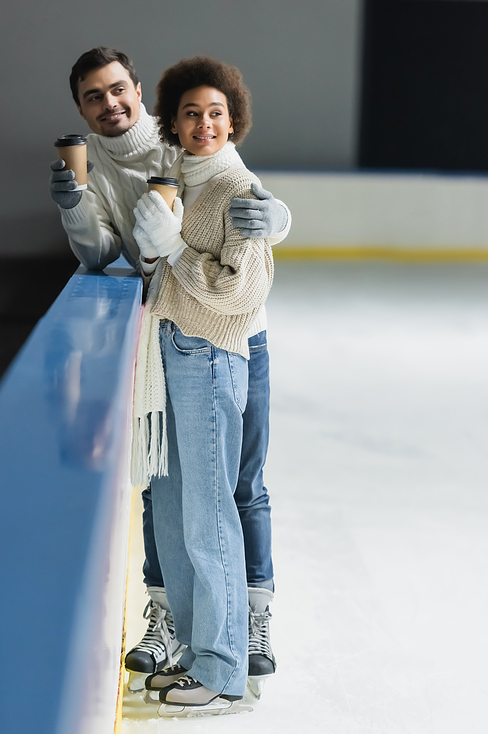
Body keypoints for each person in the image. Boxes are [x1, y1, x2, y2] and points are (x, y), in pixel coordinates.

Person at [49, 47, 287, 692]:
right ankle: (187, 626)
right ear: (80, 107)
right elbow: (102, 252)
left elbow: (238, 208)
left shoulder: (175, 144)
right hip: (176, 336)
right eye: (94, 96)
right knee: (179, 496)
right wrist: (75, 202)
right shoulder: (108, 164)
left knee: (237, 490)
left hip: (229, 339)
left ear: (138, 94)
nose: (110, 104)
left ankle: (241, 629)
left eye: (118, 89)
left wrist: (277, 218)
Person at [129, 54, 275, 714]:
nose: (204, 122)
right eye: (192, 112)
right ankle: (193, 651)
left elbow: (241, 290)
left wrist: (178, 252)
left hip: (210, 356)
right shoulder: (181, 182)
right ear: (175, 122)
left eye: (216, 112)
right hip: (173, 356)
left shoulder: (239, 191)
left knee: (209, 515)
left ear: (233, 120)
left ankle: (222, 671)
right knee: (174, 511)